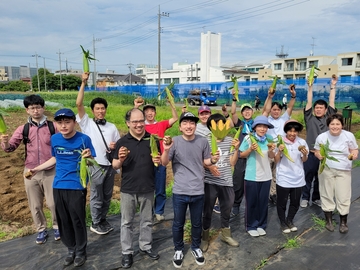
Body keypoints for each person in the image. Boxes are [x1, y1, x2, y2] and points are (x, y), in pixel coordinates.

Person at [30, 108, 96, 267]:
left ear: (74, 122)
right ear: (56, 124)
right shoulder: (55, 139)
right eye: (60, 122)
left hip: (76, 185)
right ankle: (71, 249)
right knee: (63, 220)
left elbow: (91, 159)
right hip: (58, 184)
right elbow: (55, 157)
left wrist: (88, 156)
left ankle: (81, 251)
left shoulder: (84, 139)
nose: (64, 125)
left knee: (77, 220)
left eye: (67, 122)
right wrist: (37, 169)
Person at [161, 112, 220, 268]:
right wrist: (166, 149)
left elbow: (207, 160)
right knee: (178, 223)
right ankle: (178, 249)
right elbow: (163, 162)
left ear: (195, 125)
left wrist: (214, 159)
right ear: (180, 127)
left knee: (196, 223)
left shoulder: (203, 141)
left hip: (198, 190)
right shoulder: (174, 142)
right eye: (185, 123)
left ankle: (195, 247)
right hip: (180, 190)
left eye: (192, 123)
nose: (189, 126)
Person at [0, 95, 59, 244]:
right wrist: (5, 143)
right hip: (31, 172)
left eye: (38, 107)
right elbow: (10, 149)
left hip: (51, 170)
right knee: (35, 204)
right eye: (32, 108)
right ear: (27, 110)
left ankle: (58, 226)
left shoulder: (53, 127)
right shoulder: (23, 129)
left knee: (53, 203)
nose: (36, 110)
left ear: (43, 108)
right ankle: (41, 229)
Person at [112, 108, 160, 269]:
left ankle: (145, 246)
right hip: (128, 188)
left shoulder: (151, 139)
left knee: (146, 220)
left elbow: (158, 161)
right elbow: (115, 165)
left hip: (147, 186)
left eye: (141, 121)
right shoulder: (122, 142)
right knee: (126, 222)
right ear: (128, 123)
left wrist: (159, 158)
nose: (139, 124)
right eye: (135, 122)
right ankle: (127, 252)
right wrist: (120, 158)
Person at [76, 72, 121, 235]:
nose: (100, 111)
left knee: (107, 196)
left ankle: (102, 219)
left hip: (110, 166)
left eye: (103, 108)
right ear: (93, 110)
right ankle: (95, 222)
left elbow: (118, 146)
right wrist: (83, 82)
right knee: (96, 195)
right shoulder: (87, 124)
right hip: (95, 165)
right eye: (97, 109)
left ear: (106, 110)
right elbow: (79, 104)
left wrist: (115, 146)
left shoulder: (112, 127)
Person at [134, 98, 178, 222]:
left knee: (160, 187)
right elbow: (132, 123)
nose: (149, 113)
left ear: (155, 113)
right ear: (143, 114)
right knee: (147, 188)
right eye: (147, 111)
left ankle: (159, 211)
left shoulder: (161, 125)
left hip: (160, 160)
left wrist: (171, 104)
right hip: (145, 161)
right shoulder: (141, 127)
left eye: (152, 111)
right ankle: (148, 212)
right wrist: (136, 107)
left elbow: (175, 118)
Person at [201, 113, 240, 252]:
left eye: (222, 123)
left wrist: (236, 149)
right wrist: (210, 166)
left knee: (227, 208)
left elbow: (232, 162)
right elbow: (199, 161)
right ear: (211, 127)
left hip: (226, 181)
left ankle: (226, 235)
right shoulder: (204, 141)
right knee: (207, 210)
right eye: (216, 124)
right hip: (209, 181)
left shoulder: (230, 141)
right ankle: (204, 237)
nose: (219, 127)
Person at [314, 113, 358, 233]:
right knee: (326, 193)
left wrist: (354, 154)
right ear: (328, 125)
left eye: (337, 124)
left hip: (344, 169)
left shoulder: (348, 136)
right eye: (332, 124)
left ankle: (343, 222)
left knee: (343, 195)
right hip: (326, 169)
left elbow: (354, 149)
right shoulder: (322, 137)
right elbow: (317, 151)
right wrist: (318, 155)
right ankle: (328, 220)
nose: (335, 126)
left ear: (342, 125)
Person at [301, 75, 337, 208]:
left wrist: (333, 85)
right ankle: (305, 198)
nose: (318, 109)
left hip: (324, 155)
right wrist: (310, 86)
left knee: (320, 178)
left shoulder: (329, 118)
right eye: (317, 107)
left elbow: (331, 101)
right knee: (308, 176)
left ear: (326, 110)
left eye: (321, 108)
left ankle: (316, 198)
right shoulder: (309, 118)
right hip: (311, 153)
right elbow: (309, 102)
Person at [239, 115, 275, 237]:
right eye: (260, 126)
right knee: (252, 202)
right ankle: (251, 225)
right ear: (255, 127)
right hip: (251, 176)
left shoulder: (269, 139)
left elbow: (271, 156)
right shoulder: (249, 138)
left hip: (266, 176)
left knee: (263, 202)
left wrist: (271, 150)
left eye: (265, 126)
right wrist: (250, 150)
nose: (262, 129)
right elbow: (241, 155)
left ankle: (261, 224)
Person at [263, 85, 296, 205]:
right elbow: (265, 110)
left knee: (276, 173)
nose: (276, 111)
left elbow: (290, 107)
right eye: (274, 109)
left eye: (278, 110)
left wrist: (293, 96)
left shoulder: (284, 119)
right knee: (266, 172)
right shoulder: (266, 120)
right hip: (268, 150)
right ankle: (265, 194)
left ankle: (273, 194)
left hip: (280, 150)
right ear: (271, 110)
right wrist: (269, 97)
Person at [274, 120, 309, 233]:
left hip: (297, 178)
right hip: (283, 177)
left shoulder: (301, 142)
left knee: (295, 202)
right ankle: (283, 222)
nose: (292, 134)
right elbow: (276, 160)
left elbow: (304, 160)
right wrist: (279, 151)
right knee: (282, 202)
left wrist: (304, 154)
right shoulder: (280, 142)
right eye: (290, 131)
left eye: (295, 131)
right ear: (286, 131)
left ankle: (290, 220)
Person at [230, 95, 260, 217]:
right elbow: (232, 112)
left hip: (253, 157)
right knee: (238, 182)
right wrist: (234, 99)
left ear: (252, 111)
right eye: (244, 110)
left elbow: (266, 112)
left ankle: (252, 206)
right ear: (242, 113)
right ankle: (236, 204)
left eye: (249, 110)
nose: (247, 112)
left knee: (253, 182)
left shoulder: (257, 124)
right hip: (241, 157)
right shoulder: (240, 124)